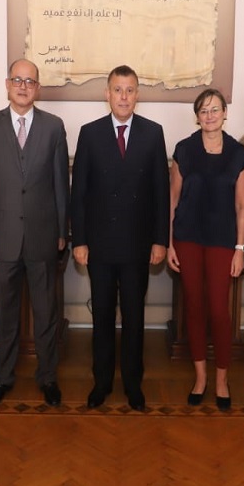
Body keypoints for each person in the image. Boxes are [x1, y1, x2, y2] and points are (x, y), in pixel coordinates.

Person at [71, 64, 170, 411]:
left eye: (130, 90)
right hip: (98, 246)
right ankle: (101, 383)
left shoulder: (153, 133)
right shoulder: (90, 133)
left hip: (137, 247)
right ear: (107, 94)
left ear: (137, 95)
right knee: (101, 317)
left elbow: (161, 192)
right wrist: (79, 241)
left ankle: (132, 384)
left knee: (134, 318)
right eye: (117, 90)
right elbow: (78, 192)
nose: (124, 96)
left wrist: (161, 240)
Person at [0, 58, 69, 407]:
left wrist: (62, 232)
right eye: (18, 79)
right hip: (1, 240)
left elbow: (62, 184)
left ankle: (48, 378)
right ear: (7, 84)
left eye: (30, 81)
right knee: (6, 314)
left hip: (44, 236)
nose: (24, 86)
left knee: (46, 314)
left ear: (38, 87)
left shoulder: (54, 127)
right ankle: (3, 377)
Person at [167, 89, 244, 411]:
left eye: (215, 109)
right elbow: (173, 200)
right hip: (187, 238)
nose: (210, 115)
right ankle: (200, 377)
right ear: (197, 116)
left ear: (225, 113)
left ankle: (221, 379)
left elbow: (242, 205)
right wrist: (171, 241)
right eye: (204, 110)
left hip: (222, 242)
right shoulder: (184, 150)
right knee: (194, 308)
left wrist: (240, 248)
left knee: (218, 310)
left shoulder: (238, 153)